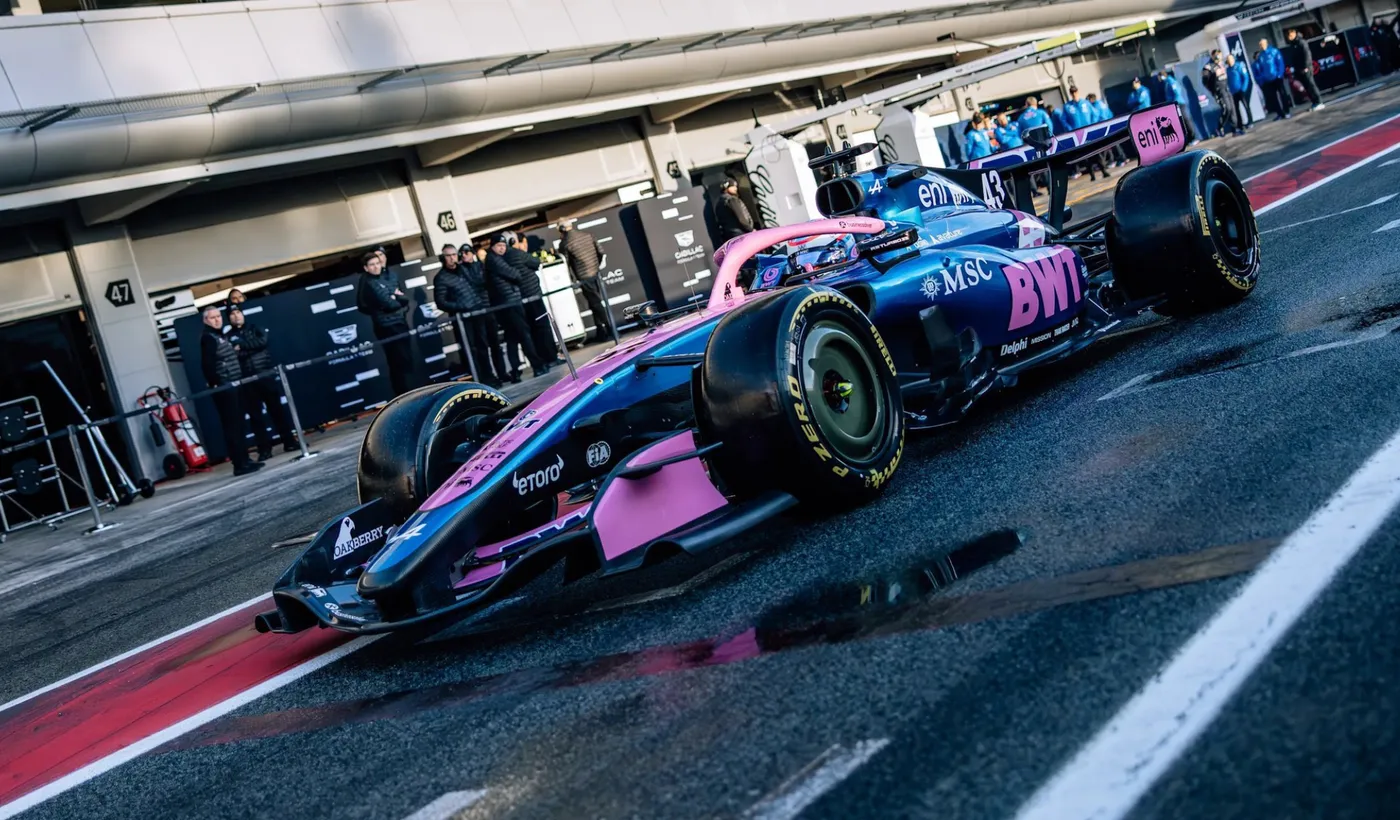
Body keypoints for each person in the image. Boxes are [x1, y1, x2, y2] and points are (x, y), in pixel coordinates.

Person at [226, 307, 297, 460]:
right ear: (229, 318)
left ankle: (289, 442)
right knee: (255, 417)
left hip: (265, 375)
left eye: (238, 313)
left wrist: (243, 346)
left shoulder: (255, 328)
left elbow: (263, 342)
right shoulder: (228, 337)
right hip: (247, 381)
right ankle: (264, 449)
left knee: (277, 411)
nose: (236, 316)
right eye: (232, 314)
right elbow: (233, 354)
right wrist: (252, 347)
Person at [198, 306, 262, 477]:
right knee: (232, 427)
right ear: (206, 320)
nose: (217, 320)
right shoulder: (208, 338)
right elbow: (207, 364)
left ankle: (245, 459)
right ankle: (239, 464)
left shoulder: (220, 336)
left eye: (219, 316)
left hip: (235, 384)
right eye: (213, 318)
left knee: (239, 425)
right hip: (225, 387)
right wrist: (217, 383)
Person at [433, 244, 505, 386]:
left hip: (478, 312)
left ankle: (489, 376)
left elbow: (478, 284)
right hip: (462, 318)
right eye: (448, 255)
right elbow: (441, 302)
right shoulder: (441, 277)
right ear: (443, 258)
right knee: (471, 349)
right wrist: (460, 307)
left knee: (483, 347)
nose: (452, 258)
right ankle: (480, 381)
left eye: (454, 254)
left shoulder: (464, 270)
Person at [354, 249, 418, 396]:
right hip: (387, 327)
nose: (376, 266)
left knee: (406, 360)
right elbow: (390, 303)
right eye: (372, 264)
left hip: (400, 322)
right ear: (366, 268)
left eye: (377, 263)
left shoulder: (388, 277)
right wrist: (395, 297)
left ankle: (409, 393)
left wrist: (397, 297)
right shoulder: (369, 282)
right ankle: (404, 395)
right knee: (397, 362)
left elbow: (403, 299)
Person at [484, 232, 546, 381]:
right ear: (492, 247)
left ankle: (515, 371)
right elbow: (515, 274)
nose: (502, 248)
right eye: (498, 245)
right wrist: (516, 273)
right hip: (509, 303)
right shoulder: (494, 260)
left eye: (504, 245)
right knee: (524, 335)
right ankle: (537, 365)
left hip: (508, 302)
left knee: (512, 337)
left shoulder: (496, 259)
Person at [505, 231, 562, 371]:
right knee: (543, 327)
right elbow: (535, 262)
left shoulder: (505, 257)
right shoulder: (516, 253)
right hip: (533, 296)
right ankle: (551, 358)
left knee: (534, 330)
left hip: (523, 299)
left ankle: (544, 358)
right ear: (513, 242)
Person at [558, 220, 615, 343]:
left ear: (561, 230)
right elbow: (601, 252)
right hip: (596, 272)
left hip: (584, 277)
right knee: (594, 302)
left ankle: (610, 329)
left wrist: (572, 280)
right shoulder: (587, 235)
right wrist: (596, 267)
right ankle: (601, 332)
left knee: (595, 303)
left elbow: (565, 264)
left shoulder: (565, 243)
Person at [1201, 51, 1240, 137]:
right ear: (1212, 56)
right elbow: (1205, 81)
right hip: (1219, 91)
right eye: (1216, 55)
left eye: (1219, 55)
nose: (1218, 57)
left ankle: (1235, 129)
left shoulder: (1222, 64)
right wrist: (1213, 89)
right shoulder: (1208, 67)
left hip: (1227, 89)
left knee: (1233, 109)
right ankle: (1219, 127)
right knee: (1227, 109)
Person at [1285, 28, 1324, 111]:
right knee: (1307, 87)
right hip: (1299, 70)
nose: (1289, 37)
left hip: (1306, 69)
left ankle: (1319, 102)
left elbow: (1307, 54)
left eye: (1291, 35)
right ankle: (1314, 102)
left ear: (1294, 34)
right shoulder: (1292, 44)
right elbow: (1294, 58)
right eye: (1288, 36)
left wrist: (1306, 67)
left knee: (1311, 84)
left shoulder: (1301, 42)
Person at [1159, 69, 1200, 143]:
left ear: (1162, 76)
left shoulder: (1171, 81)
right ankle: (1189, 138)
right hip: (1174, 105)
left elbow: (1177, 92)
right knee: (1181, 122)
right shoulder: (1167, 82)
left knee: (1185, 119)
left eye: (1159, 77)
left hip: (1179, 104)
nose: (1159, 79)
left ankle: (1194, 138)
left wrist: (1174, 103)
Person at [1254, 38, 1291, 119]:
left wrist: (1279, 74)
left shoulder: (1274, 51)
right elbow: (1261, 68)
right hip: (1268, 80)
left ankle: (1287, 111)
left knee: (1282, 94)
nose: (1261, 46)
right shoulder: (1261, 56)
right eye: (1260, 45)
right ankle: (1280, 113)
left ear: (1266, 43)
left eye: (1263, 44)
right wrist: (1263, 77)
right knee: (1273, 98)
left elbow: (1280, 63)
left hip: (1276, 77)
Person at [1225, 54, 1254, 128]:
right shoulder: (1228, 69)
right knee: (1236, 109)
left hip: (1241, 91)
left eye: (1231, 59)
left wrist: (1243, 88)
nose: (1229, 61)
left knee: (1246, 106)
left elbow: (1245, 77)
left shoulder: (1239, 66)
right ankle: (1240, 124)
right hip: (1234, 92)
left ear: (1233, 59)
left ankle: (1250, 121)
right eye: (1228, 60)